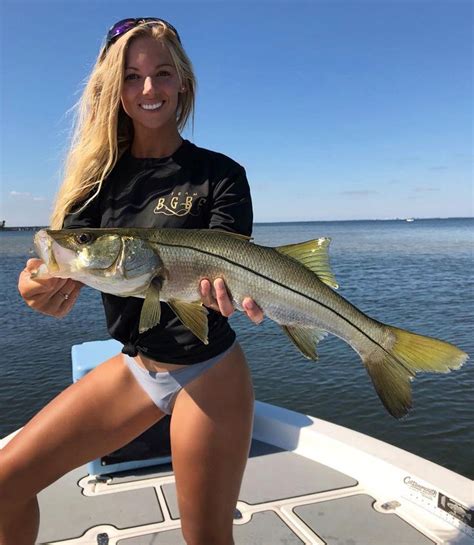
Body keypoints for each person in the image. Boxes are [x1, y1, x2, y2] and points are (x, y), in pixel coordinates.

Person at [0, 18, 264, 545]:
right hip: (135, 366)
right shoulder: (96, 184)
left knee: (207, 538)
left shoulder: (220, 175)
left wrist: (224, 291)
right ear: (112, 88)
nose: (148, 89)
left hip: (210, 371)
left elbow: (225, 269)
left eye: (162, 73)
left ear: (182, 82)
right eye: (131, 76)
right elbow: (57, 272)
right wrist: (34, 289)